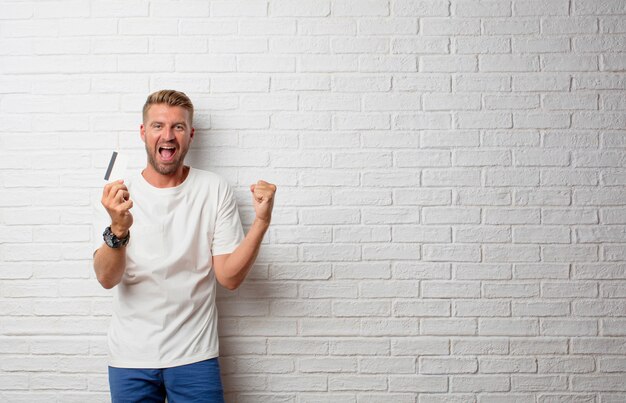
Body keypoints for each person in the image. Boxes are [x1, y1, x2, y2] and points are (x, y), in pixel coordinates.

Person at [92, 89, 276, 402]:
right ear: (143, 132)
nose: (168, 135)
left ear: (190, 134)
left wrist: (261, 222)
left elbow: (229, 277)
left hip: (195, 356)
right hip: (131, 359)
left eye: (178, 127)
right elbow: (107, 278)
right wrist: (118, 228)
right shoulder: (117, 195)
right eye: (158, 126)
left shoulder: (213, 189)